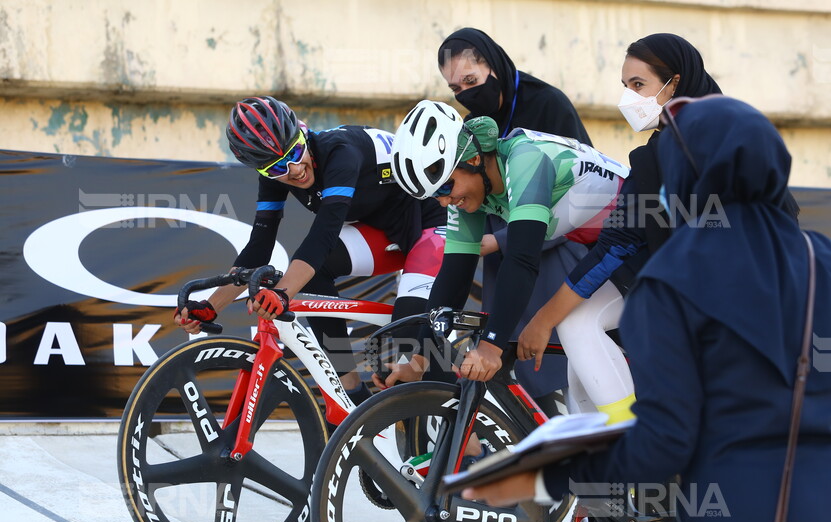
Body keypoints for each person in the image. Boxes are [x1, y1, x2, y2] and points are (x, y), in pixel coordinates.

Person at [461, 95, 831, 522]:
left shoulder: (673, 279)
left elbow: (663, 444)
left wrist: (544, 473)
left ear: (681, 175)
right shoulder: (829, 263)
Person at [174, 96, 446, 412]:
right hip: (383, 229)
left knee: (408, 349)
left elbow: (325, 233)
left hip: (430, 223)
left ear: (303, 132)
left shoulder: (340, 152)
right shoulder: (273, 177)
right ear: (262, 170)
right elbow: (259, 247)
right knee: (314, 273)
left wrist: (283, 293)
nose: (294, 169)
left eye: (295, 152)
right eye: (276, 167)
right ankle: (350, 391)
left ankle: (468, 445)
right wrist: (210, 307)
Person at [383, 99, 634, 433]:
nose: (444, 201)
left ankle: (638, 450)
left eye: (445, 187)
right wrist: (420, 357)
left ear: (472, 158)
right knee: (583, 375)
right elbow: (454, 274)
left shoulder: (525, 159)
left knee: (576, 326)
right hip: (610, 255)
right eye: (435, 197)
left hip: (648, 245)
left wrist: (491, 346)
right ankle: (603, 458)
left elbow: (521, 259)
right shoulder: (470, 189)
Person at [517, 33, 721, 379]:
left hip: (711, 316)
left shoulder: (656, 160)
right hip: (756, 302)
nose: (628, 98)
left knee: (578, 325)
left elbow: (615, 247)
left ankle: (626, 432)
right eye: (626, 85)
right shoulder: (733, 135)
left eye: (639, 84)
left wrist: (543, 319)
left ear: (674, 84)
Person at [437, 27, 592, 419]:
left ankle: (558, 404)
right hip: (507, 236)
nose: (466, 94)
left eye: (471, 81)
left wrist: (501, 240)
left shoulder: (546, 104)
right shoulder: (471, 131)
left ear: (496, 67)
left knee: (542, 320)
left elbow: (569, 198)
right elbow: (454, 267)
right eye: (456, 88)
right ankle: (518, 404)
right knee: (499, 310)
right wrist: (420, 352)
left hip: (565, 231)